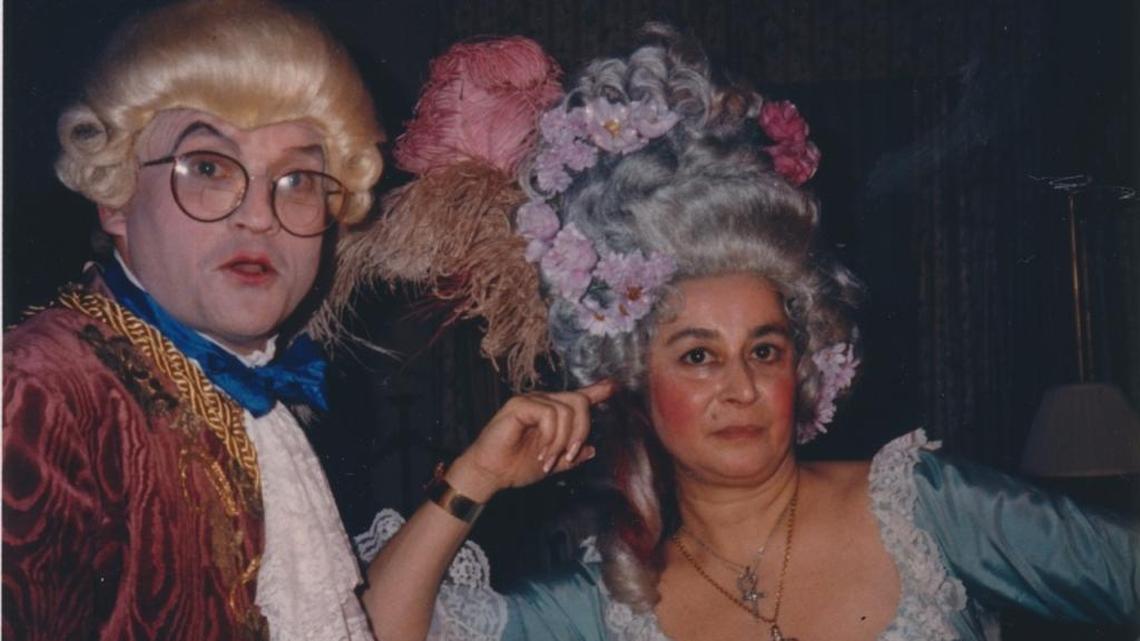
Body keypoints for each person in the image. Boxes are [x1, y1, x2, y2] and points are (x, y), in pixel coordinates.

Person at [357, 26, 1138, 641]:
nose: (740, 386)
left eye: (764, 349)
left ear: (801, 365)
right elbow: (375, 632)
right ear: (633, 380)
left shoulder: (924, 508)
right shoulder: (606, 603)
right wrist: (473, 477)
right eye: (698, 354)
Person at [2, 1, 384, 639]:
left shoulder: (234, 393)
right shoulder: (41, 391)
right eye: (208, 168)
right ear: (116, 194)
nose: (259, 215)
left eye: (298, 178)